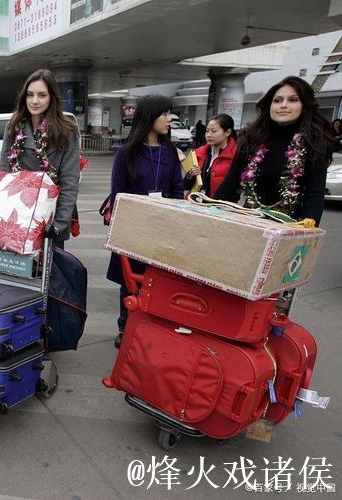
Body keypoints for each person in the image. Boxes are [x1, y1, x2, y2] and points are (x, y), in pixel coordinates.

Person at [106, 95, 184, 348]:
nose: (169, 119)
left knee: (159, 280)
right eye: (164, 114)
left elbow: (177, 188)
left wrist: (173, 216)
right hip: (135, 230)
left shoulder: (170, 151)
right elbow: (118, 194)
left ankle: (152, 328)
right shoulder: (127, 153)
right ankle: (125, 326)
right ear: (149, 117)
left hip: (164, 228)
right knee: (131, 280)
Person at [214, 76, 337, 226]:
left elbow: (314, 194)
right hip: (249, 222)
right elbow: (230, 184)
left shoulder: (314, 143)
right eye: (277, 100)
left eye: (292, 100)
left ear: (305, 106)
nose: (283, 105)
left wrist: (307, 228)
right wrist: (212, 213)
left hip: (289, 227)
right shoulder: (252, 138)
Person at [0, 68, 81, 248]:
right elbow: (3, 174)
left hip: (50, 216)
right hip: (18, 214)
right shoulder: (13, 126)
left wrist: (58, 225)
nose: (34, 101)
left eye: (42, 95)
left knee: (49, 264)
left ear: (52, 97)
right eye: (30, 95)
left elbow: (69, 182)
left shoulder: (67, 131)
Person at [183, 114, 237, 196]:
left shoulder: (236, 155)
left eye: (214, 131)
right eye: (207, 131)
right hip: (195, 201)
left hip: (217, 203)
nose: (208, 135)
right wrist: (190, 175)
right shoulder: (199, 152)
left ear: (227, 132)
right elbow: (186, 186)